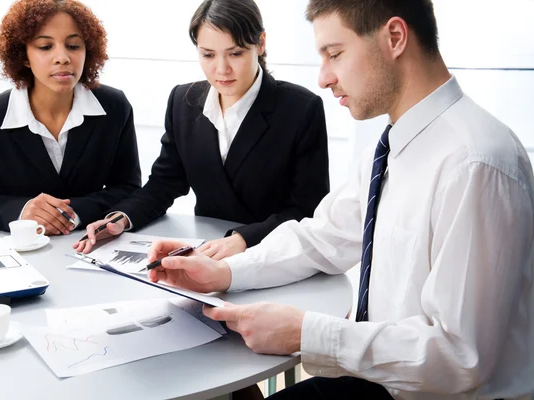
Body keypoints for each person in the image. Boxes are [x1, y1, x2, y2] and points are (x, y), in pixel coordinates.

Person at [142, 0, 534, 398]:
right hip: (383, 383)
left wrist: (306, 331)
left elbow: (460, 356)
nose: (324, 78)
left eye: (335, 54)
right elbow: (321, 238)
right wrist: (224, 271)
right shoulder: (393, 147)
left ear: (395, 38)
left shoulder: (476, 163)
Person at [74, 0, 329, 258]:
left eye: (236, 53)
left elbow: (307, 210)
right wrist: (121, 218)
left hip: (270, 254)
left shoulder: (301, 109)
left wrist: (243, 239)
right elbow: (164, 184)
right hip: (204, 252)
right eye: (208, 54)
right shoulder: (183, 101)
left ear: (260, 43)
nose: (222, 69)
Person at [0, 0, 141, 236]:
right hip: (17, 251)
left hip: (88, 246)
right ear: (24, 55)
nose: (62, 57)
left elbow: (128, 189)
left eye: (74, 45)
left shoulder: (114, 107)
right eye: (45, 47)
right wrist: (22, 211)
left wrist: (72, 214)